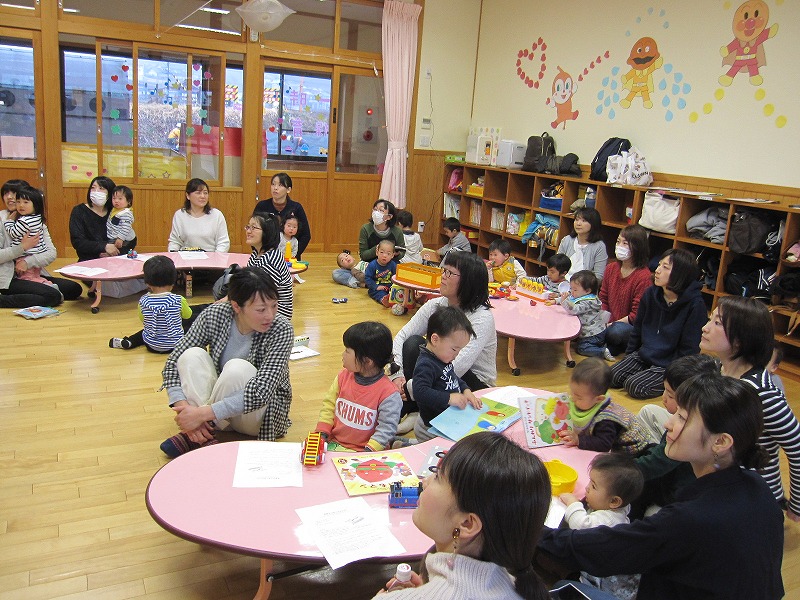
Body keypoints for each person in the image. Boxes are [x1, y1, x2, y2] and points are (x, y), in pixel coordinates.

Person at [539, 372, 785, 600]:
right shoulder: (758, 487)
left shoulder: (694, 518)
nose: (668, 424)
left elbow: (607, 550)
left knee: (562, 587)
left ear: (720, 442)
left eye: (682, 418)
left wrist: (534, 532)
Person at [372, 431, 551, 600]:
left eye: (438, 477)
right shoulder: (515, 583)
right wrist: (427, 590)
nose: (425, 482)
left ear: (467, 524)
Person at [159, 267, 293, 458]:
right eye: (261, 309)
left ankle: (200, 433)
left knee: (236, 368)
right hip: (220, 409)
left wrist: (200, 415)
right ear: (236, 306)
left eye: (274, 306)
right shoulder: (216, 314)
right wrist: (184, 409)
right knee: (190, 356)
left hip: (259, 416)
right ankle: (203, 432)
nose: (270, 315)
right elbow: (173, 362)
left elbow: (262, 391)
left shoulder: (281, 328)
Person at [699, 295, 800, 521]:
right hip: (722, 481)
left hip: (752, 495)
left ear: (739, 341)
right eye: (710, 319)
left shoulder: (762, 394)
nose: (705, 328)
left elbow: (797, 448)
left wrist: (797, 505)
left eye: (717, 323)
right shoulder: (719, 370)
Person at [390, 251, 496, 419]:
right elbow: (402, 336)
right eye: (444, 270)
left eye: (450, 273)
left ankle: (411, 408)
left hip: (471, 384)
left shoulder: (482, 317)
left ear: (468, 281)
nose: (443, 276)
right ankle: (415, 409)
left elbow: (458, 366)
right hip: (443, 373)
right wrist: (397, 374)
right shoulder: (436, 304)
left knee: (432, 359)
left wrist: (411, 388)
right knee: (413, 344)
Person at [610, 248, 707, 399]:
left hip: (669, 364)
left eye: (665, 267)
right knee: (610, 376)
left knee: (634, 386)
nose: (657, 270)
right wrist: (629, 357)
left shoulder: (695, 305)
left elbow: (689, 348)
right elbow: (637, 329)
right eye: (659, 264)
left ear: (680, 274)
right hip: (645, 355)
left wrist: (676, 375)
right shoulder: (650, 293)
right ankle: (643, 373)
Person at [633, 354, 719, 519]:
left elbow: (656, 464)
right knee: (648, 412)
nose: (663, 397)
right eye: (664, 389)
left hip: (677, 497)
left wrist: (619, 471)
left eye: (671, 395)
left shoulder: (687, 437)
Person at [559, 453, 644, 600]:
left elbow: (580, 525)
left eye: (593, 486)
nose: (587, 488)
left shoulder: (609, 520)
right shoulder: (620, 507)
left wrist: (573, 503)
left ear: (614, 502)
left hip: (605, 585)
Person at [314, 321, 401, 451]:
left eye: (347, 351)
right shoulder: (343, 376)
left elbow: (386, 429)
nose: (343, 355)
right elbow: (329, 406)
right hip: (335, 444)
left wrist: (368, 451)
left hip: (366, 452)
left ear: (367, 361)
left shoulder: (389, 393)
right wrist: (322, 432)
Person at [1, 180, 81, 303]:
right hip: (8, 277)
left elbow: (51, 253)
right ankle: (3, 300)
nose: (10, 197)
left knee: (74, 289)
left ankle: (38, 293)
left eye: (14, 193)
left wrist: (27, 262)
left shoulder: (35, 221)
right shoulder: (2, 221)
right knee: (53, 296)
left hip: (32, 273)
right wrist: (22, 247)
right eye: (6, 193)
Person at [411, 306, 482, 442]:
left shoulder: (442, 357)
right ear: (435, 339)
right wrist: (449, 398)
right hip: (430, 428)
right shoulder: (426, 364)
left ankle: (407, 443)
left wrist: (465, 389)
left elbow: (451, 377)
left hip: (445, 421)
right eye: (454, 349)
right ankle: (406, 445)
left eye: (459, 350)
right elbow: (419, 392)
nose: (456, 355)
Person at [558, 358, 649, 454]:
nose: (572, 398)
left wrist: (578, 440)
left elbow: (604, 444)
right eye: (572, 392)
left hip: (633, 451)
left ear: (598, 399)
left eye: (579, 397)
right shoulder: (589, 400)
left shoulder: (606, 420)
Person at [109, 255, 191, 352]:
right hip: (175, 346)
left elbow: (143, 319)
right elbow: (188, 315)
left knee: (146, 331)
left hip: (151, 346)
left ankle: (130, 341)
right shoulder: (178, 300)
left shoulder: (143, 301)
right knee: (189, 327)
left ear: (147, 282)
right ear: (173, 279)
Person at [598, 224, 652, 356]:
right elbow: (603, 298)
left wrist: (610, 325)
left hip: (627, 327)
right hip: (609, 321)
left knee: (616, 331)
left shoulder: (644, 276)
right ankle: (606, 345)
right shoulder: (611, 268)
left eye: (625, 243)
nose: (619, 246)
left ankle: (605, 344)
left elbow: (636, 315)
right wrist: (602, 320)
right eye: (618, 241)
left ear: (637, 247)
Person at [243, 213, 293, 319]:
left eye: (253, 228)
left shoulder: (270, 261)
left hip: (274, 315)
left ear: (267, 232)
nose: (248, 231)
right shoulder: (257, 253)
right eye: (248, 227)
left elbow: (260, 296)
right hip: (260, 305)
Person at [558, 270, 613, 361]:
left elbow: (574, 309)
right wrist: (556, 300)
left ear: (588, 291)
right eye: (571, 288)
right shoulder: (579, 295)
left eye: (575, 290)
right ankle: (600, 345)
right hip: (589, 332)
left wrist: (563, 301)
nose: (571, 292)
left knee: (582, 348)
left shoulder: (588, 302)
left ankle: (602, 351)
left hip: (592, 334)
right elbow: (569, 298)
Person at [254, 172, 311, 259]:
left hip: (290, 258)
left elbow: (306, 235)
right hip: (265, 256)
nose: (275, 188)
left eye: (280, 185)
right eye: (273, 184)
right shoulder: (262, 206)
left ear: (288, 190)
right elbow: (253, 231)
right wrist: (261, 252)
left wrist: (294, 254)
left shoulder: (296, 208)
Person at [3, 186, 52, 284]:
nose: (21, 205)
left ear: (36, 204)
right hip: (37, 255)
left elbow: (13, 232)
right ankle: (45, 284)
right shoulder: (37, 218)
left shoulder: (24, 221)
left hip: (25, 256)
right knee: (35, 276)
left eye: (25, 202)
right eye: (18, 202)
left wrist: (8, 222)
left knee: (28, 278)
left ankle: (46, 284)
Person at [167, 178, 230, 252]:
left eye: (205, 193)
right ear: (188, 195)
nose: (203, 196)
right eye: (198, 193)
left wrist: (215, 257)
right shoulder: (180, 215)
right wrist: (173, 255)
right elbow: (175, 242)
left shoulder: (217, 215)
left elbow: (223, 243)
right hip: (186, 256)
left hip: (211, 256)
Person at [556, 207, 608, 282]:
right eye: (576, 220)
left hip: (584, 287)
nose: (578, 224)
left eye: (584, 221)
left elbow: (598, 277)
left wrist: (579, 285)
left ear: (593, 224)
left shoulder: (599, 246)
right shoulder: (567, 240)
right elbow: (556, 265)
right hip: (561, 283)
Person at [365, 239, 397, 307]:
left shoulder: (393, 265)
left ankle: (394, 300)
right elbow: (367, 278)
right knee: (377, 293)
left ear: (392, 255)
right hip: (378, 288)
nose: (384, 255)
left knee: (398, 293)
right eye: (382, 252)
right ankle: (383, 299)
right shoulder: (372, 265)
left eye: (388, 254)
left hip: (390, 287)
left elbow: (396, 276)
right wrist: (376, 287)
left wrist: (394, 286)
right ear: (377, 252)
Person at [107, 185, 136, 254]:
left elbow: (126, 228)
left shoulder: (126, 213)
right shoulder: (115, 210)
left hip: (125, 240)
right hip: (114, 237)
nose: (116, 201)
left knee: (120, 253)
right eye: (114, 198)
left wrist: (120, 238)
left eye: (120, 199)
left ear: (128, 201)